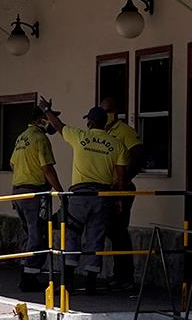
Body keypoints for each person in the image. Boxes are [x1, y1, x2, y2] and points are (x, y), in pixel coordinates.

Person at [40, 97, 127, 295]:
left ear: (89, 123)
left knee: (72, 234)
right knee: (96, 239)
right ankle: (90, 284)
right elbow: (121, 178)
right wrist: (120, 200)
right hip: (102, 197)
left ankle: (68, 281)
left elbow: (58, 125)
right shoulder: (117, 145)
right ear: (105, 123)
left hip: (79, 196)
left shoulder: (79, 136)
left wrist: (46, 110)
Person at [9, 106, 64, 292]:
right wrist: (61, 192)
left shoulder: (22, 137)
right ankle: (29, 277)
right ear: (41, 120)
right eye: (49, 118)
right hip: (34, 193)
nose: (53, 124)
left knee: (30, 233)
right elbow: (47, 168)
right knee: (38, 235)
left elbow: (12, 163)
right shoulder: (41, 138)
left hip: (18, 192)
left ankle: (27, 273)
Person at [100, 97, 143, 291]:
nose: (106, 114)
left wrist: (122, 181)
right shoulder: (103, 132)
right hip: (107, 189)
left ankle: (125, 276)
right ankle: (119, 274)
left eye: (108, 110)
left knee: (119, 231)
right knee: (112, 231)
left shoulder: (125, 131)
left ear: (115, 112)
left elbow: (138, 156)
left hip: (121, 188)